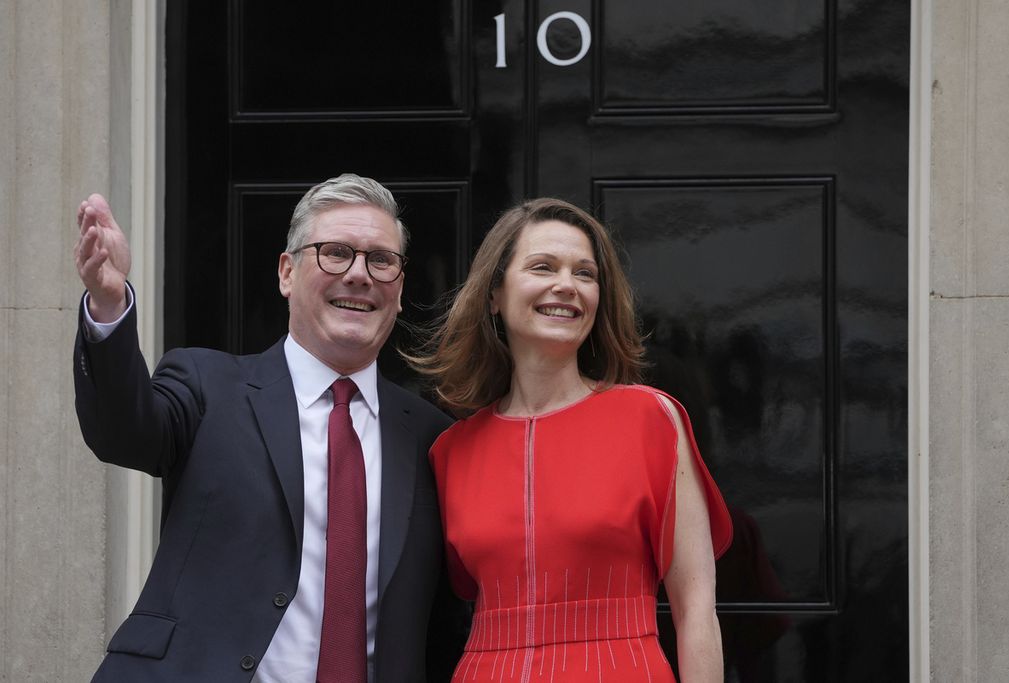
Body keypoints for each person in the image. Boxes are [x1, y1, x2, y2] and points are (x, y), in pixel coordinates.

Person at [72, 174, 457, 682]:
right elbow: (122, 431)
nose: (360, 275)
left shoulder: (432, 436)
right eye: (335, 252)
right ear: (287, 273)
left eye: (380, 260)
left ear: (400, 288)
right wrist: (109, 307)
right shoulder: (208, 385)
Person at [411, 198, 734, 681]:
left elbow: (695, 610)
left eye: (585, 274)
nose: (566, 285)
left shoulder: (650, 418)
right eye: (543, 267)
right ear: (494, 293)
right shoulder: (450, 450)